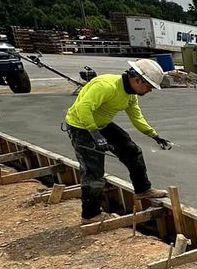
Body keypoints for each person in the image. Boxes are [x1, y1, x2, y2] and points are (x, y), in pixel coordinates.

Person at [64, 59, 173, 225]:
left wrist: (153, 135)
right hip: (81, 126)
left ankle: (143, 190)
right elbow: (83, 109)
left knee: (132, 151)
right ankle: (90, 215)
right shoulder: (106, 86)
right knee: (93, 170)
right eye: (149, 87)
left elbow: (136, 116)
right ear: (138, 80)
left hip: (102, 124)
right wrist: (95, 134)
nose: (149, 91)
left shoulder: (130, 94)